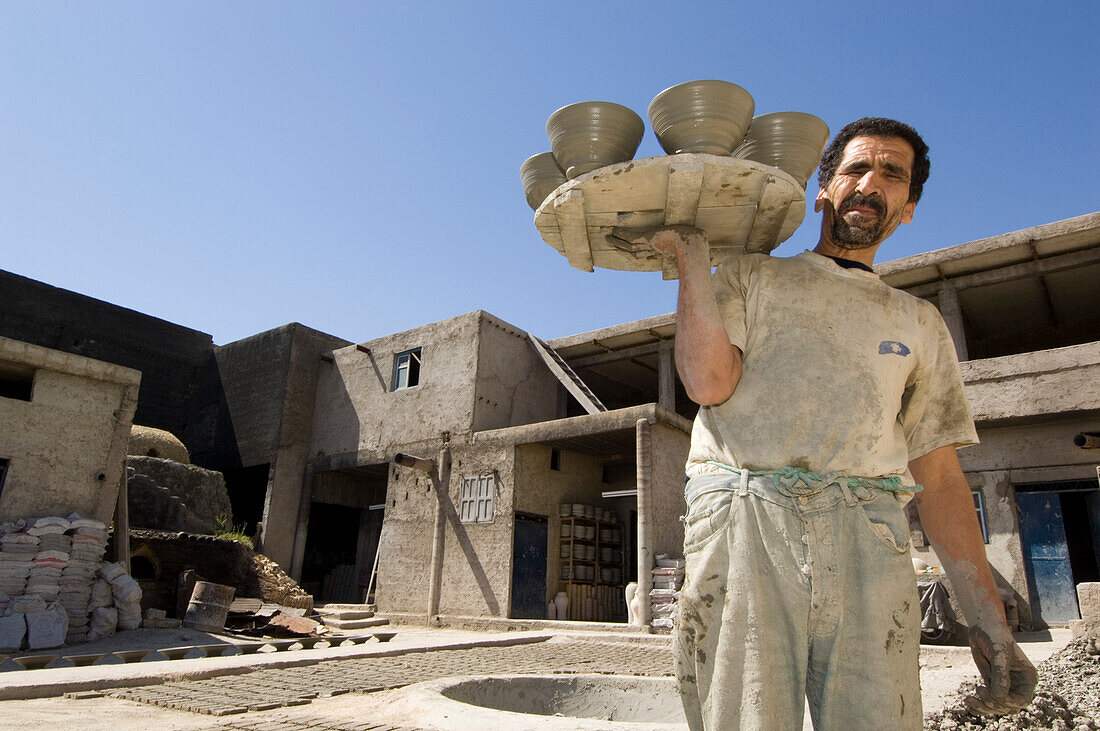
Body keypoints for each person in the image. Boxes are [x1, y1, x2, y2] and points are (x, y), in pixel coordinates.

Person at [633, 118, 1038, 730]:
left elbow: (942, 477)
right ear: (824, 190)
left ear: (908, 208)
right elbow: (708, 384)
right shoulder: (753, 276)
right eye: (855, 168)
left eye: (891, 174)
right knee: (744, 718)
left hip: (868, 538)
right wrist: (694, 263)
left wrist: (987, 618)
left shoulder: (919, 322)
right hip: (747, 522)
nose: (871, 183)